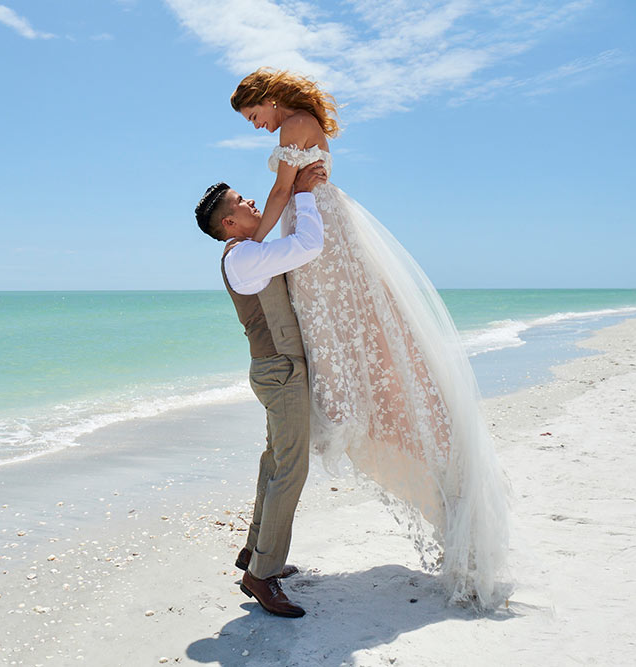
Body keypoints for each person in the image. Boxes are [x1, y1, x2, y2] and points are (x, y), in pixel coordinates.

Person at [229, 68, 511, 608]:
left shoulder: (296, 124)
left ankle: (346, 413)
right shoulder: (298, 125)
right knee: (345, 334)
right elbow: (287, 189)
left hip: (321, 234)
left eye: (253, 116)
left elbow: (284, 187)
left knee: (347, 336)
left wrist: (254, 245)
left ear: (266, 99)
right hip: (317, 225)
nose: (257, 128)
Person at [194, 160, 328, 618]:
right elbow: (309, 244)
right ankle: (262, 576)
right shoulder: (245, 256)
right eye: (241, 201)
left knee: (275, 465)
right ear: (229, 222)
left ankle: (255, 554)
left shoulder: (246, 251)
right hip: (281, 372)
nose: (252, 201)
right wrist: (305, 194)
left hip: (274, 369)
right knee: (290, 471)